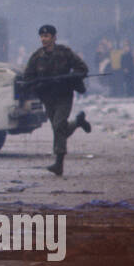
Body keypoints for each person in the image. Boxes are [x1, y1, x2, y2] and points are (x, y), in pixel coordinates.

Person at [22, 24, 91, 176]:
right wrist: (39, 84)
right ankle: (78, 122)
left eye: (46, 36)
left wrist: (69, 78)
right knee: (59, 128)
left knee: (59, 124)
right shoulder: (36, 57)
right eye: (41, 36)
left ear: (54, 37)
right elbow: (28, 77)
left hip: (64, 95)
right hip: (47, 97)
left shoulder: (65, 53)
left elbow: (82, 68)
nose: (43, 39)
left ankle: (59, 164)